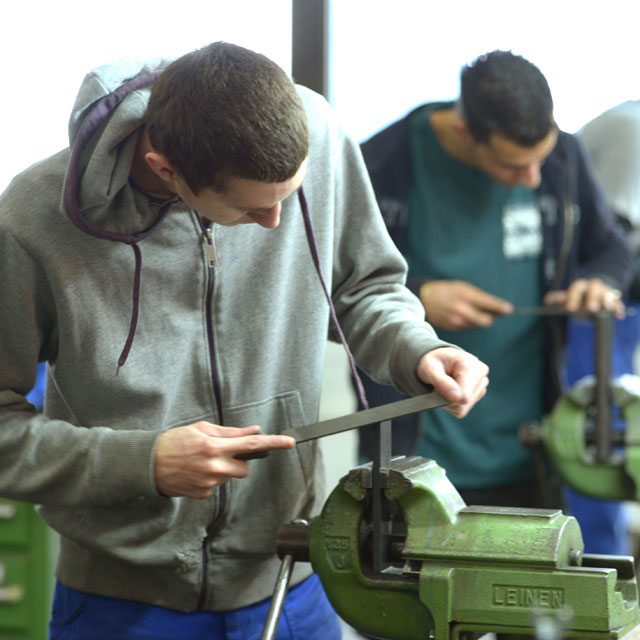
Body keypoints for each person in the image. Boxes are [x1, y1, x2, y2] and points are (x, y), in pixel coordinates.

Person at [0, 42, 489, 640]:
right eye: (252, 211)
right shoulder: (32, 222)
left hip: (295, 578)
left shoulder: (319, 134)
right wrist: (141, 463)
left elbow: (365, 287)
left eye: (291, 198)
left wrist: (419, 348)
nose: (276, 225)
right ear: (165, 169)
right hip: (123, 604)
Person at [356, 50, 634, 511]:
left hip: (532, 453)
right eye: (512, 167)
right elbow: (338, 290)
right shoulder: (383, 164)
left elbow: (612, 250)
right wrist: (420, 295)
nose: (532, 178)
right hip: (416, 461)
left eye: (540, 160)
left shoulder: (563, 154)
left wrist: (599, 282)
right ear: (464, 131)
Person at [558, 100, 640, 556]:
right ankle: (600, 566)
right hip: (596, 295)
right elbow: (615, 244)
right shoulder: (635, 134)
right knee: (599, 430)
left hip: (621, 287)